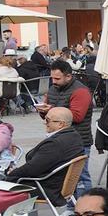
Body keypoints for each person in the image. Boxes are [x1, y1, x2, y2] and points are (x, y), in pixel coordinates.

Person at [7, 107, 84, 206]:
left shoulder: (55, 144)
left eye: (48, 120)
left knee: (1, 185)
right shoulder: (75, 137)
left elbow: (32, 169)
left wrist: (12, 174)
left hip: (47, 188)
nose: (44, 122)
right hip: (60, 186)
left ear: (61, 124)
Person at [39, 59, 93, 195]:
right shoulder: (53, 89)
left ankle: (87, 207)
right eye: (52, 78)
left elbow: (77, 116)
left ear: (68, 76)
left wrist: (52, 109)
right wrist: (44, 111)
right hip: (58, 139)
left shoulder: (81, 91)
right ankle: (71, 206)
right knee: (65, 177)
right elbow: (51, 115)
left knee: (80, 176)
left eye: (57, 78)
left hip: (79, 139)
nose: (54, 81)